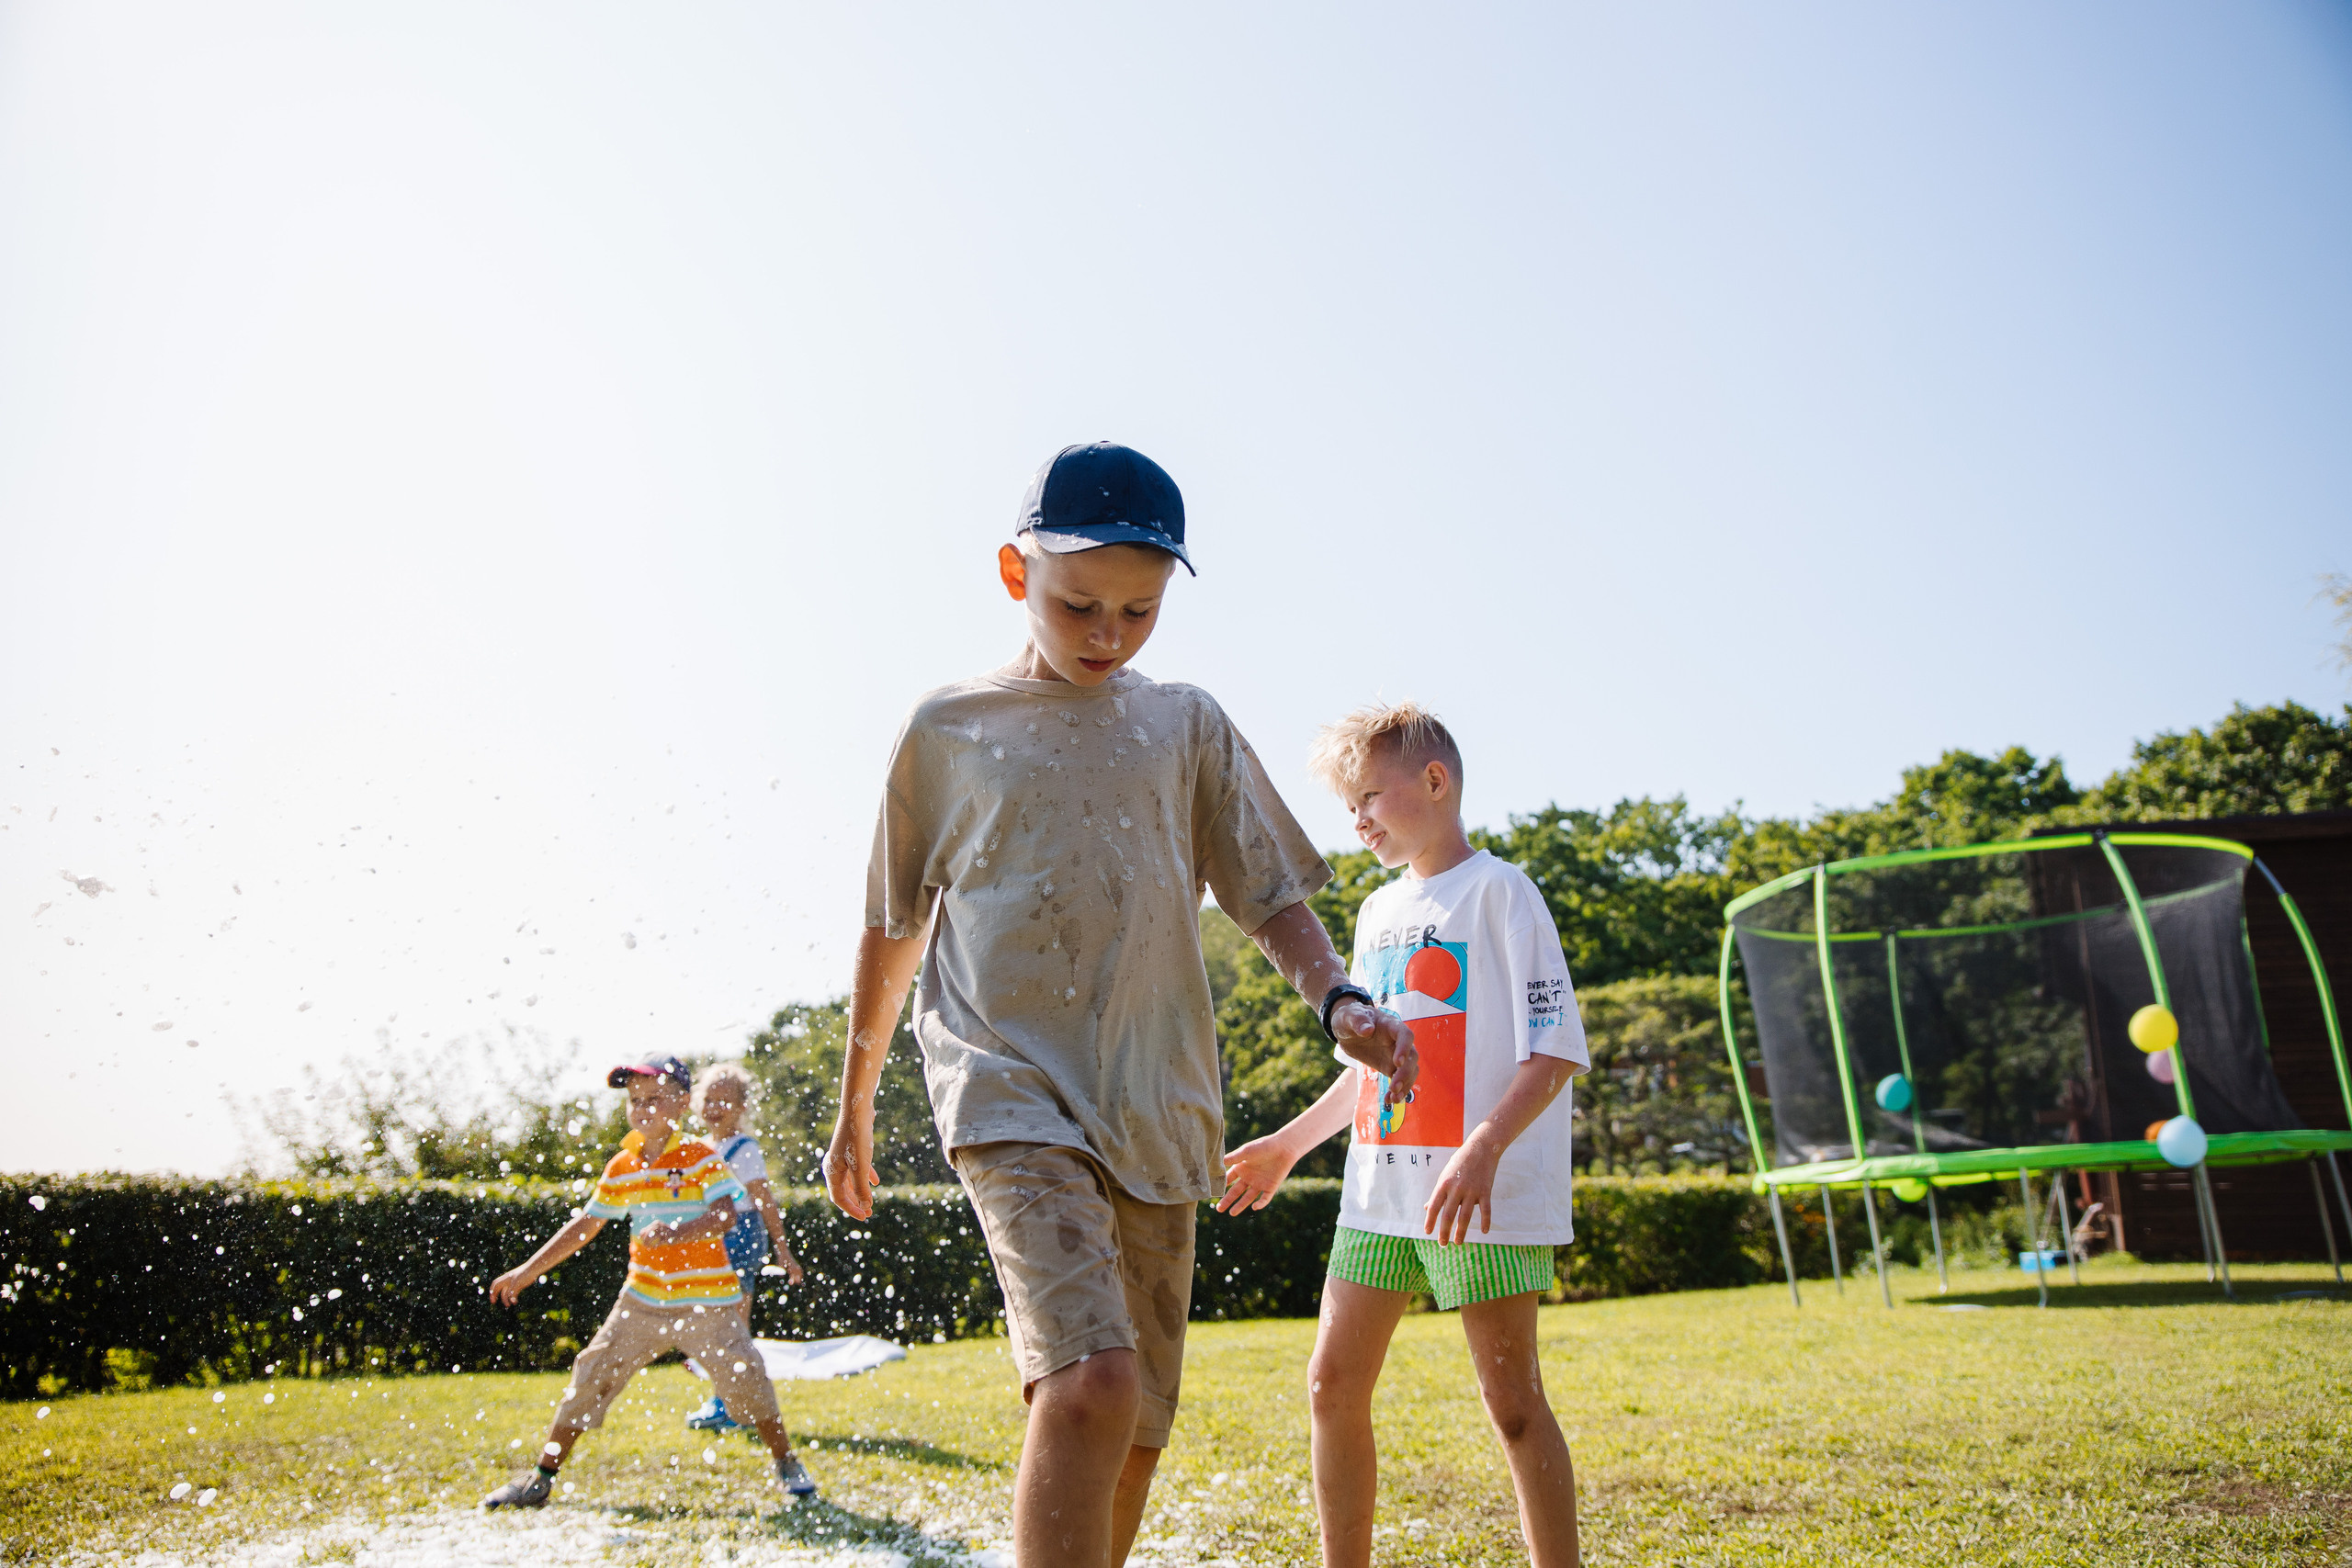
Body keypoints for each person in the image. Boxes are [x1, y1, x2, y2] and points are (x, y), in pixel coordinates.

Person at [823, 441, 1419, 1568]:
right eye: (1079, 604)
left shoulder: (1184, 724)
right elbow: (894, 927)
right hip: (1005, 1085)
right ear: (1016, 576)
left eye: (1139, 611)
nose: (1108, 634)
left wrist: (1335, 995)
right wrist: (852, 1109)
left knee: (1136, 1423)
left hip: (1154, 1100)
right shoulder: (948, 730)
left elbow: (1268, 892)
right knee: (1091, 1385)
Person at [1217, 701, 1589, 1568]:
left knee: (1514, 1407)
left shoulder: (1503, 891)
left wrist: (1484, 1146)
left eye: (1369, 799)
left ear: (1435, 781)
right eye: (1347, 807)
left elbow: (1557, 1048)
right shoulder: (1376, 914)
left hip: (1475, 1203)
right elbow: (1373, 1071)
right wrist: (1290, 1143)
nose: (1356, 821)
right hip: (1378, 1200)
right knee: (1330, 1385)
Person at [482, 1053, 818, 1507]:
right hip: (641, 1300)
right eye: (634, 1100)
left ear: (681, 1104)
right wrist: (527, 1270)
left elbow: (724, 1216)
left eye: (654, 1099)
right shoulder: (623, 1165)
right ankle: (541, 1476)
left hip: (708, 1301)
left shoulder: (701, 1157)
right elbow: (586, 1223)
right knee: (590, 1374)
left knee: (747, 1378)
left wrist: (678, 1232)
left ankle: (786, 1462)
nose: (642, 1108)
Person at [684, 1062, 806, 1433]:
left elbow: (764, 1200)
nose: (715, 1107)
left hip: (739, 1236)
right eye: (709, 1098)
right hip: (712, 1237)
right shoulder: (703, 1148)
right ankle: (728, 1400)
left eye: (725, 1100)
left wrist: (782, 1251)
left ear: (741, 1108)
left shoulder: (743, 1148)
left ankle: (734, 1405)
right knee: (714, 1325)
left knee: (733, 1326)